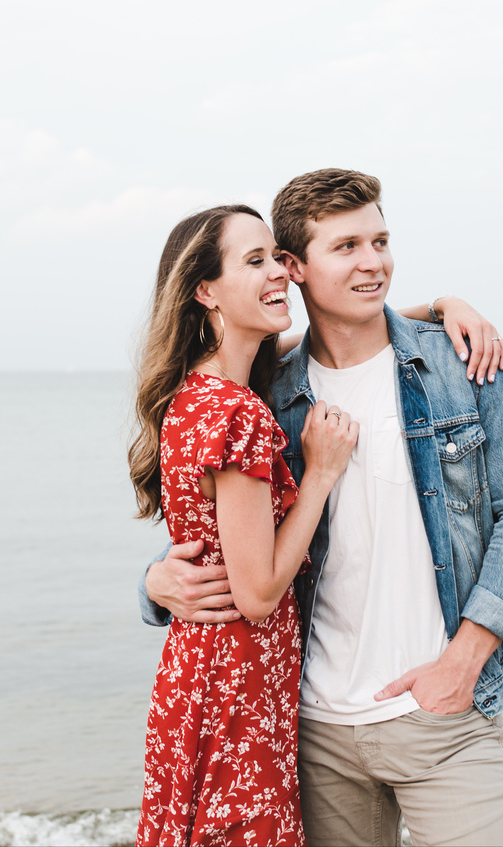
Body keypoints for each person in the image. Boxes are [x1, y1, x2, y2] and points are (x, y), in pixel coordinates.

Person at [141, 168, 503, 847]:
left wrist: (462, 662)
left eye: (380, 240)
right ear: (295, 267)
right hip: (315, 732)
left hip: (443, 721)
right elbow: (228, 532)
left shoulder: (461, 364)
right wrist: (155, 583)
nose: (373, 263)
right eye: (346, 247)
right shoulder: (270, 391)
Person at [129, 204, 359, 847]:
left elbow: (335, 331)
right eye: (253, 261)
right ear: (205, 290)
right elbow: (258, 595)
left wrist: (443, 307)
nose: (279, 273)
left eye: (279, 258)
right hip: (236, 688)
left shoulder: (193, 397)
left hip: (199, 675)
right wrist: (318, 476)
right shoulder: (236, 413)